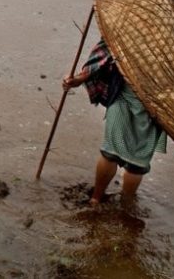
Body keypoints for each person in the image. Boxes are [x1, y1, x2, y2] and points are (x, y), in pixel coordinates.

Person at [62, 39, 167, 206]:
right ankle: (124, 207)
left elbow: (102, 57)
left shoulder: (126, 31)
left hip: (130, 100)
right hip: (150, 107)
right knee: (135, 162)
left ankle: (96, 199)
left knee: (112, 153)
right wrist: (79, 79)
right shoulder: (171, 46)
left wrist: (80, 79)